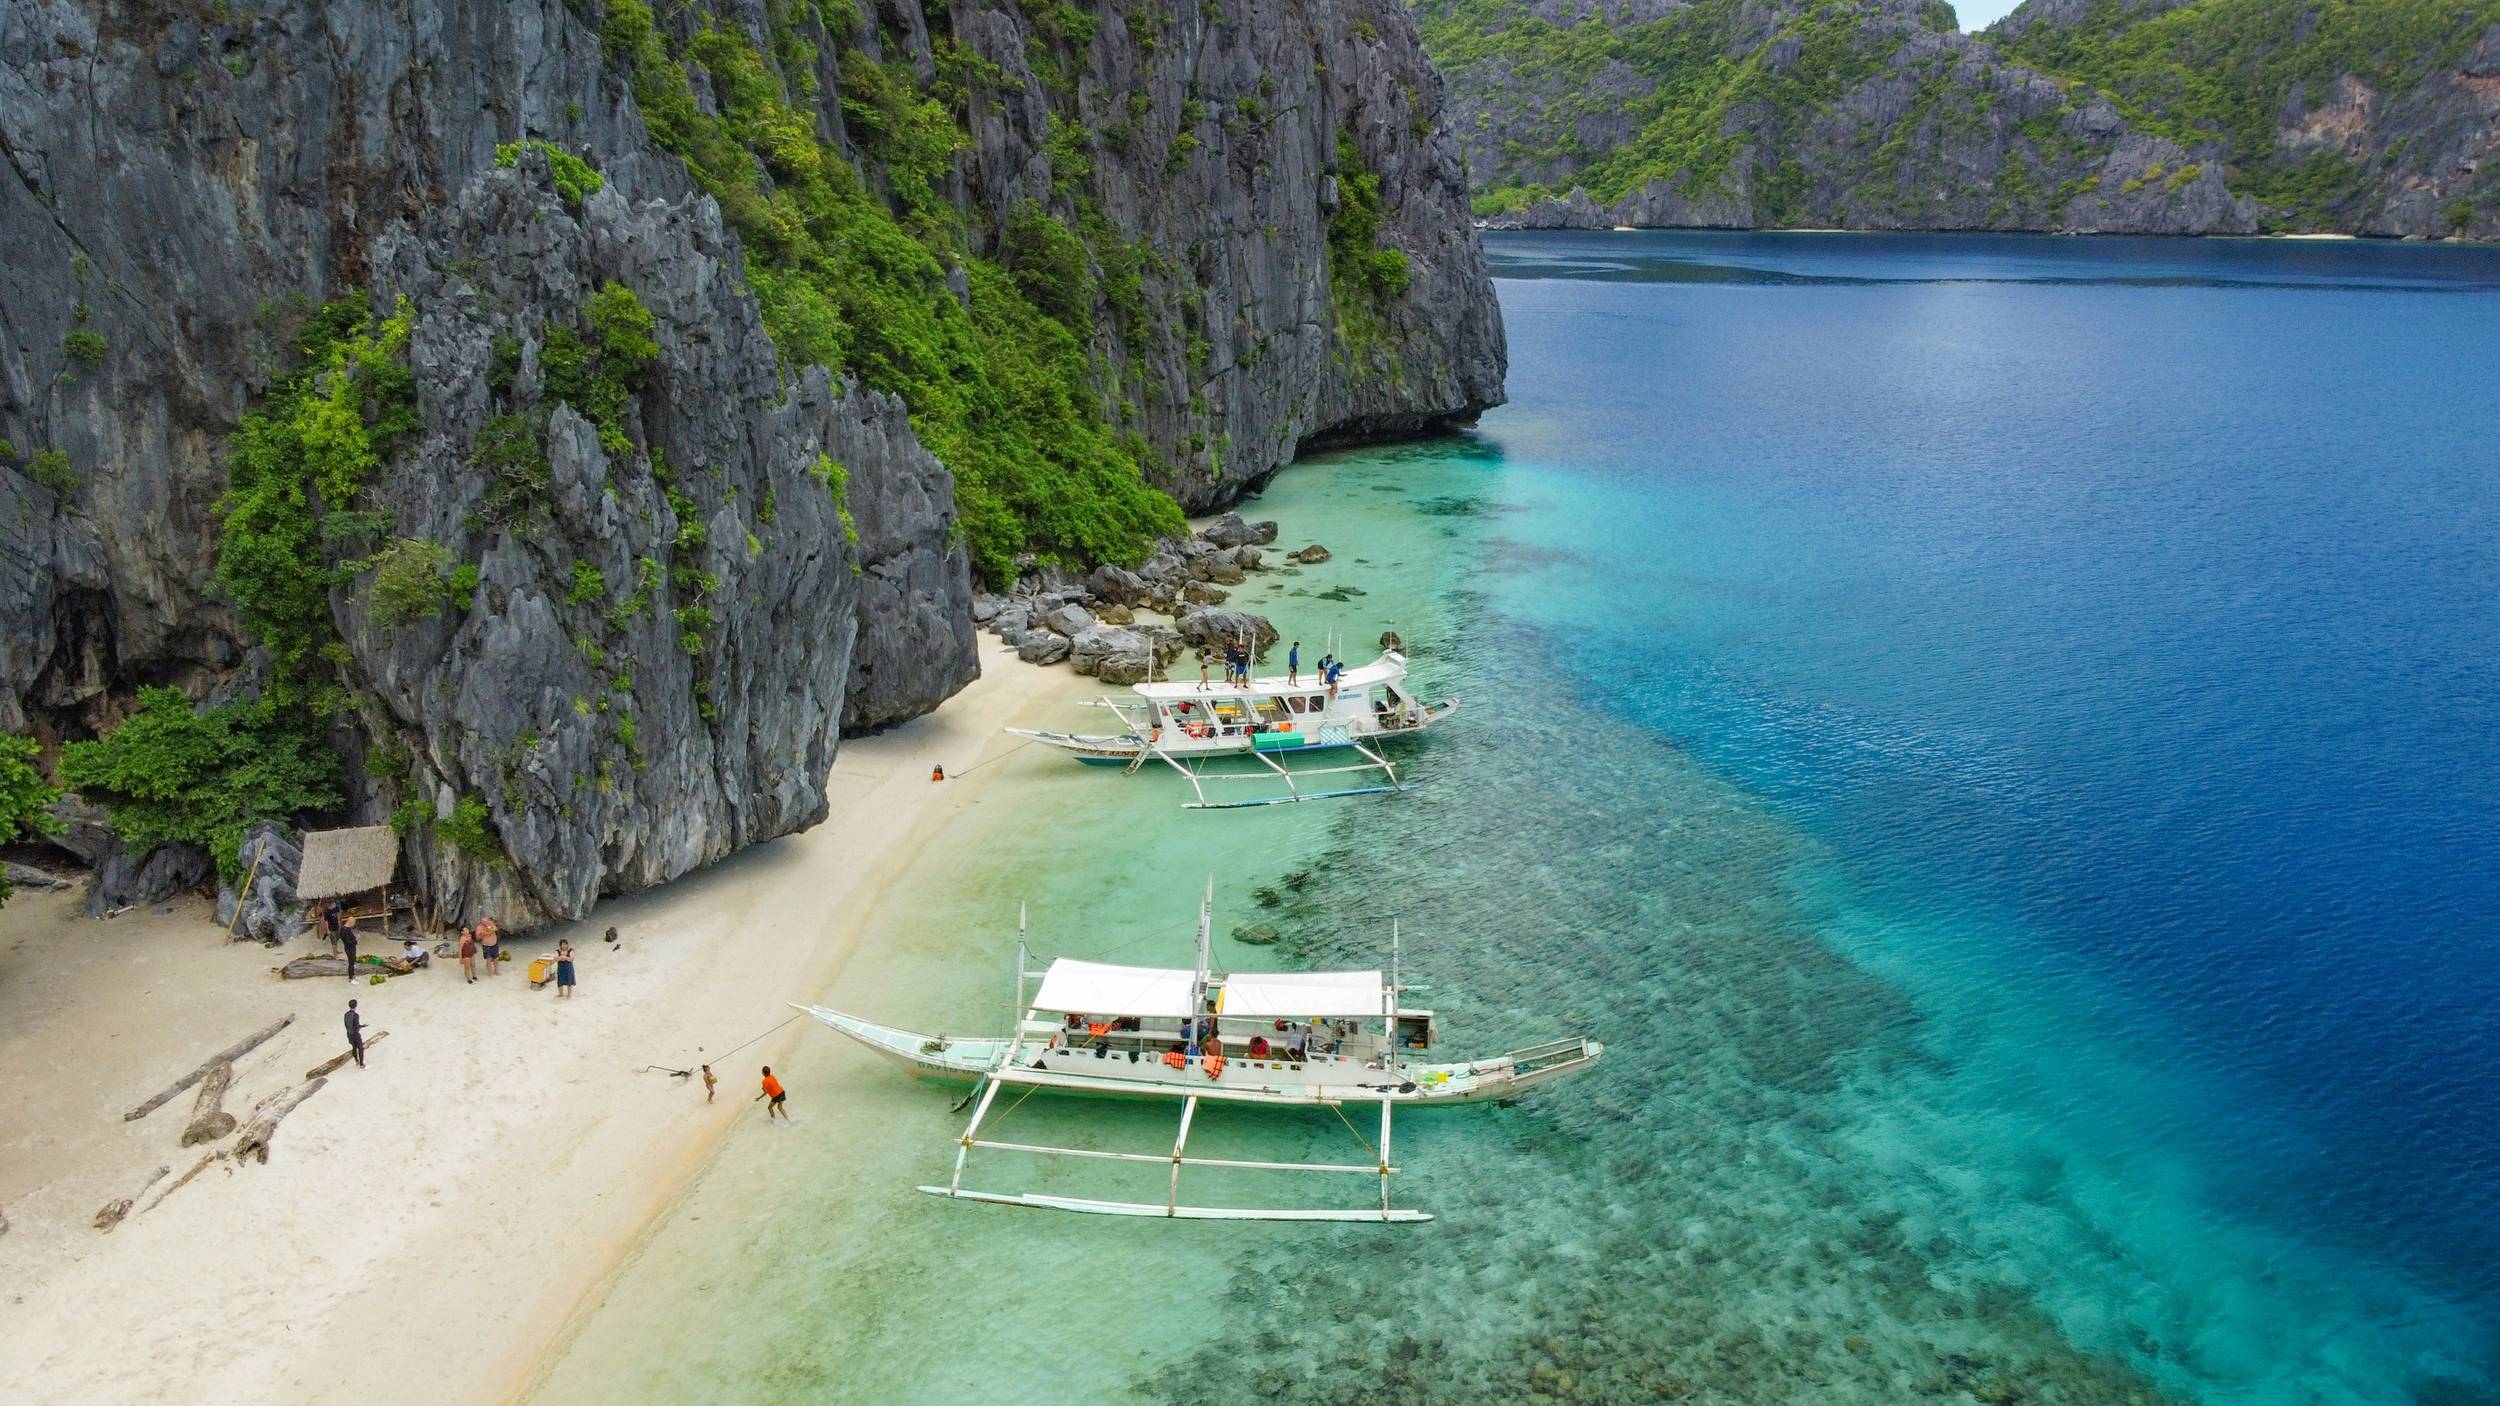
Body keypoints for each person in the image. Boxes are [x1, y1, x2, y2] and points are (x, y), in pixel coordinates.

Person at [344, 998, 366, 1069]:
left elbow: (346, 1024)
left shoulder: (346, 1014)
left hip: (349, 1034)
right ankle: (362, 1065)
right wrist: (362, 1026)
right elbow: (356, 1026)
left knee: (354, 1047)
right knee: (360, 1048)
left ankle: (357, 1061)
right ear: (356, 1006)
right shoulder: (356, 1015)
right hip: (355, 1035)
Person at [338, 911, 359, 979]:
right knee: (351, 963)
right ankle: (351, 978)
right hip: (349, 948)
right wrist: (356, 939)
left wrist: (355, 937)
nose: (354, 925)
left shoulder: (347, 929)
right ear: (351, 922)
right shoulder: (344, 930)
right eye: (354, 923)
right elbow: (348, 942)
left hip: (351, 948)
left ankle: (353, 975)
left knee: (353, 961)